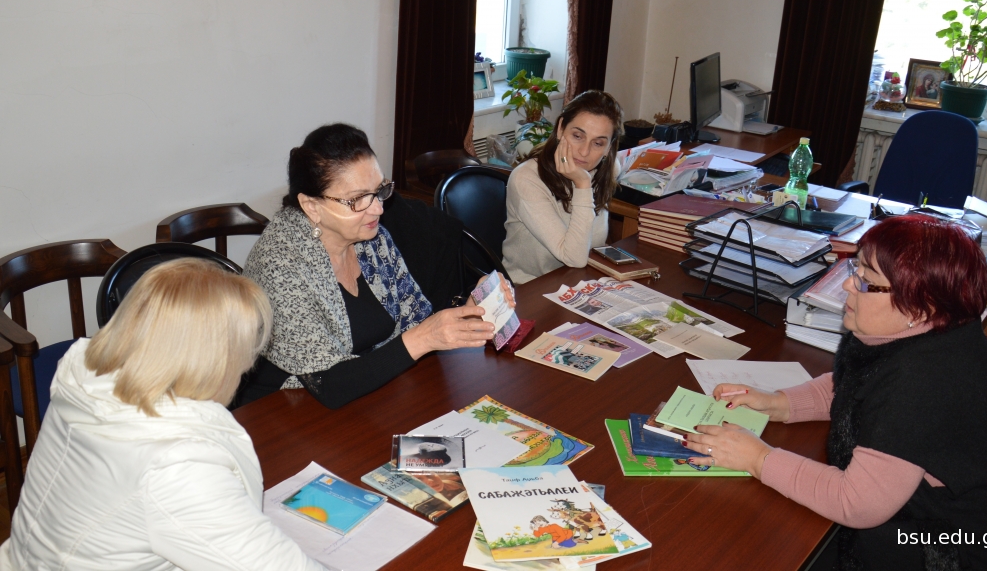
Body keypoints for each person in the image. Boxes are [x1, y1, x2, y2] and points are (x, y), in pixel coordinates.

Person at [680, 216, 987, 569]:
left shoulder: (925, 382)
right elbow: (856, 384)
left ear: (920, 304)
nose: (848, 284)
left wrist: (757, 459)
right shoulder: (922, 333)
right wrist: (778, 403)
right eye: (855, 269)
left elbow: (857, 503)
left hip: (963, 546)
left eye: (867, 281)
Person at [0, 259, 324, 570]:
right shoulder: (177, 465)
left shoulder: (87, 380)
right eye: (245, 354)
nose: (248, 365)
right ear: (214, 361)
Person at [237, 123, 513, 409]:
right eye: (357, 199)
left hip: (373, 397)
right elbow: (328, 384)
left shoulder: (368, 237)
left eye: (379, 190)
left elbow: (414, 320)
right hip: (286, 410)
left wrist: (469, 313)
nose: (378, 208)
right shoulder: (279, 265)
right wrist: (425, 338)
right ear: (311, 206)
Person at [502, 90, 624, 284]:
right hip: (530, 287)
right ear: (560, 129)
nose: (584, 152)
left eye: (598, 143)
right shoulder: (526, 179)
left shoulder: (606, 170)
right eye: (577, 136)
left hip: (583, 282)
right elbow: (574, 258)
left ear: (609, 147)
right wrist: (582, 185)